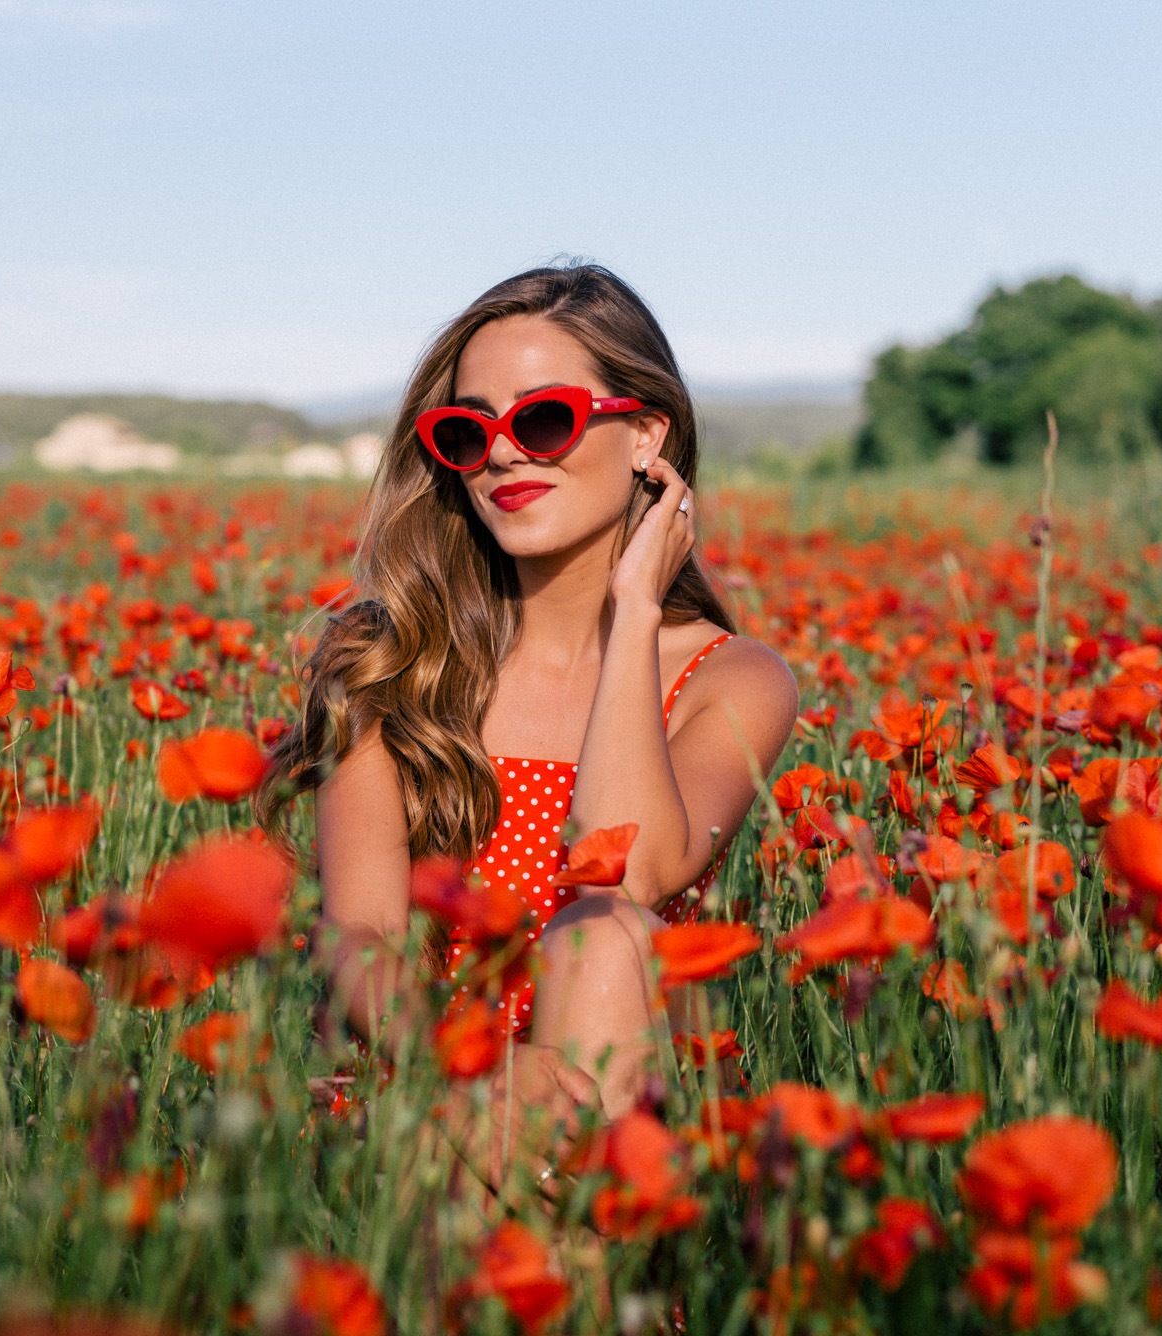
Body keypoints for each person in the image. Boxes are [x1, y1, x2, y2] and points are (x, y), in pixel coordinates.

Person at [261, 264, 798, 1179]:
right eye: (470, 431)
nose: (505, 454)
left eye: (544, 419)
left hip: (602, 1111)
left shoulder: (732, 680)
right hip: (415, 1085)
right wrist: (474, 1085)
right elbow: (361, 934)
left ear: (645, 435)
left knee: (605, 936)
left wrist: (635, 612)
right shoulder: (391, 657)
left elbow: (627, 872)